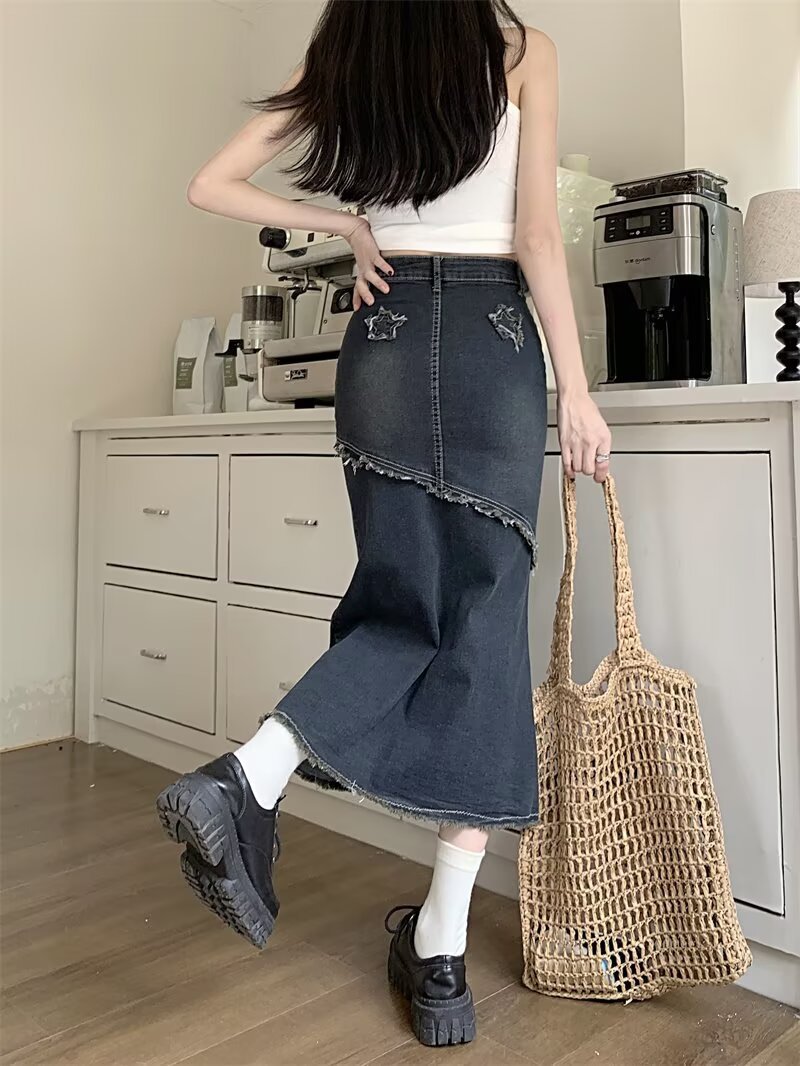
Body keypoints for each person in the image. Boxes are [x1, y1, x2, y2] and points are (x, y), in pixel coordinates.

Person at [156, 0, 611, 1048]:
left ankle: (249, 775)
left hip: (386, 338)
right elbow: (537, 236)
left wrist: (349, 227)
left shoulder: (352, 48)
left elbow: (209, 184)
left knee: (403, 603)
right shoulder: (521, 51)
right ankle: (439, 950)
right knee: (482, 628)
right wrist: (577, 391)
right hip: (492, 340)